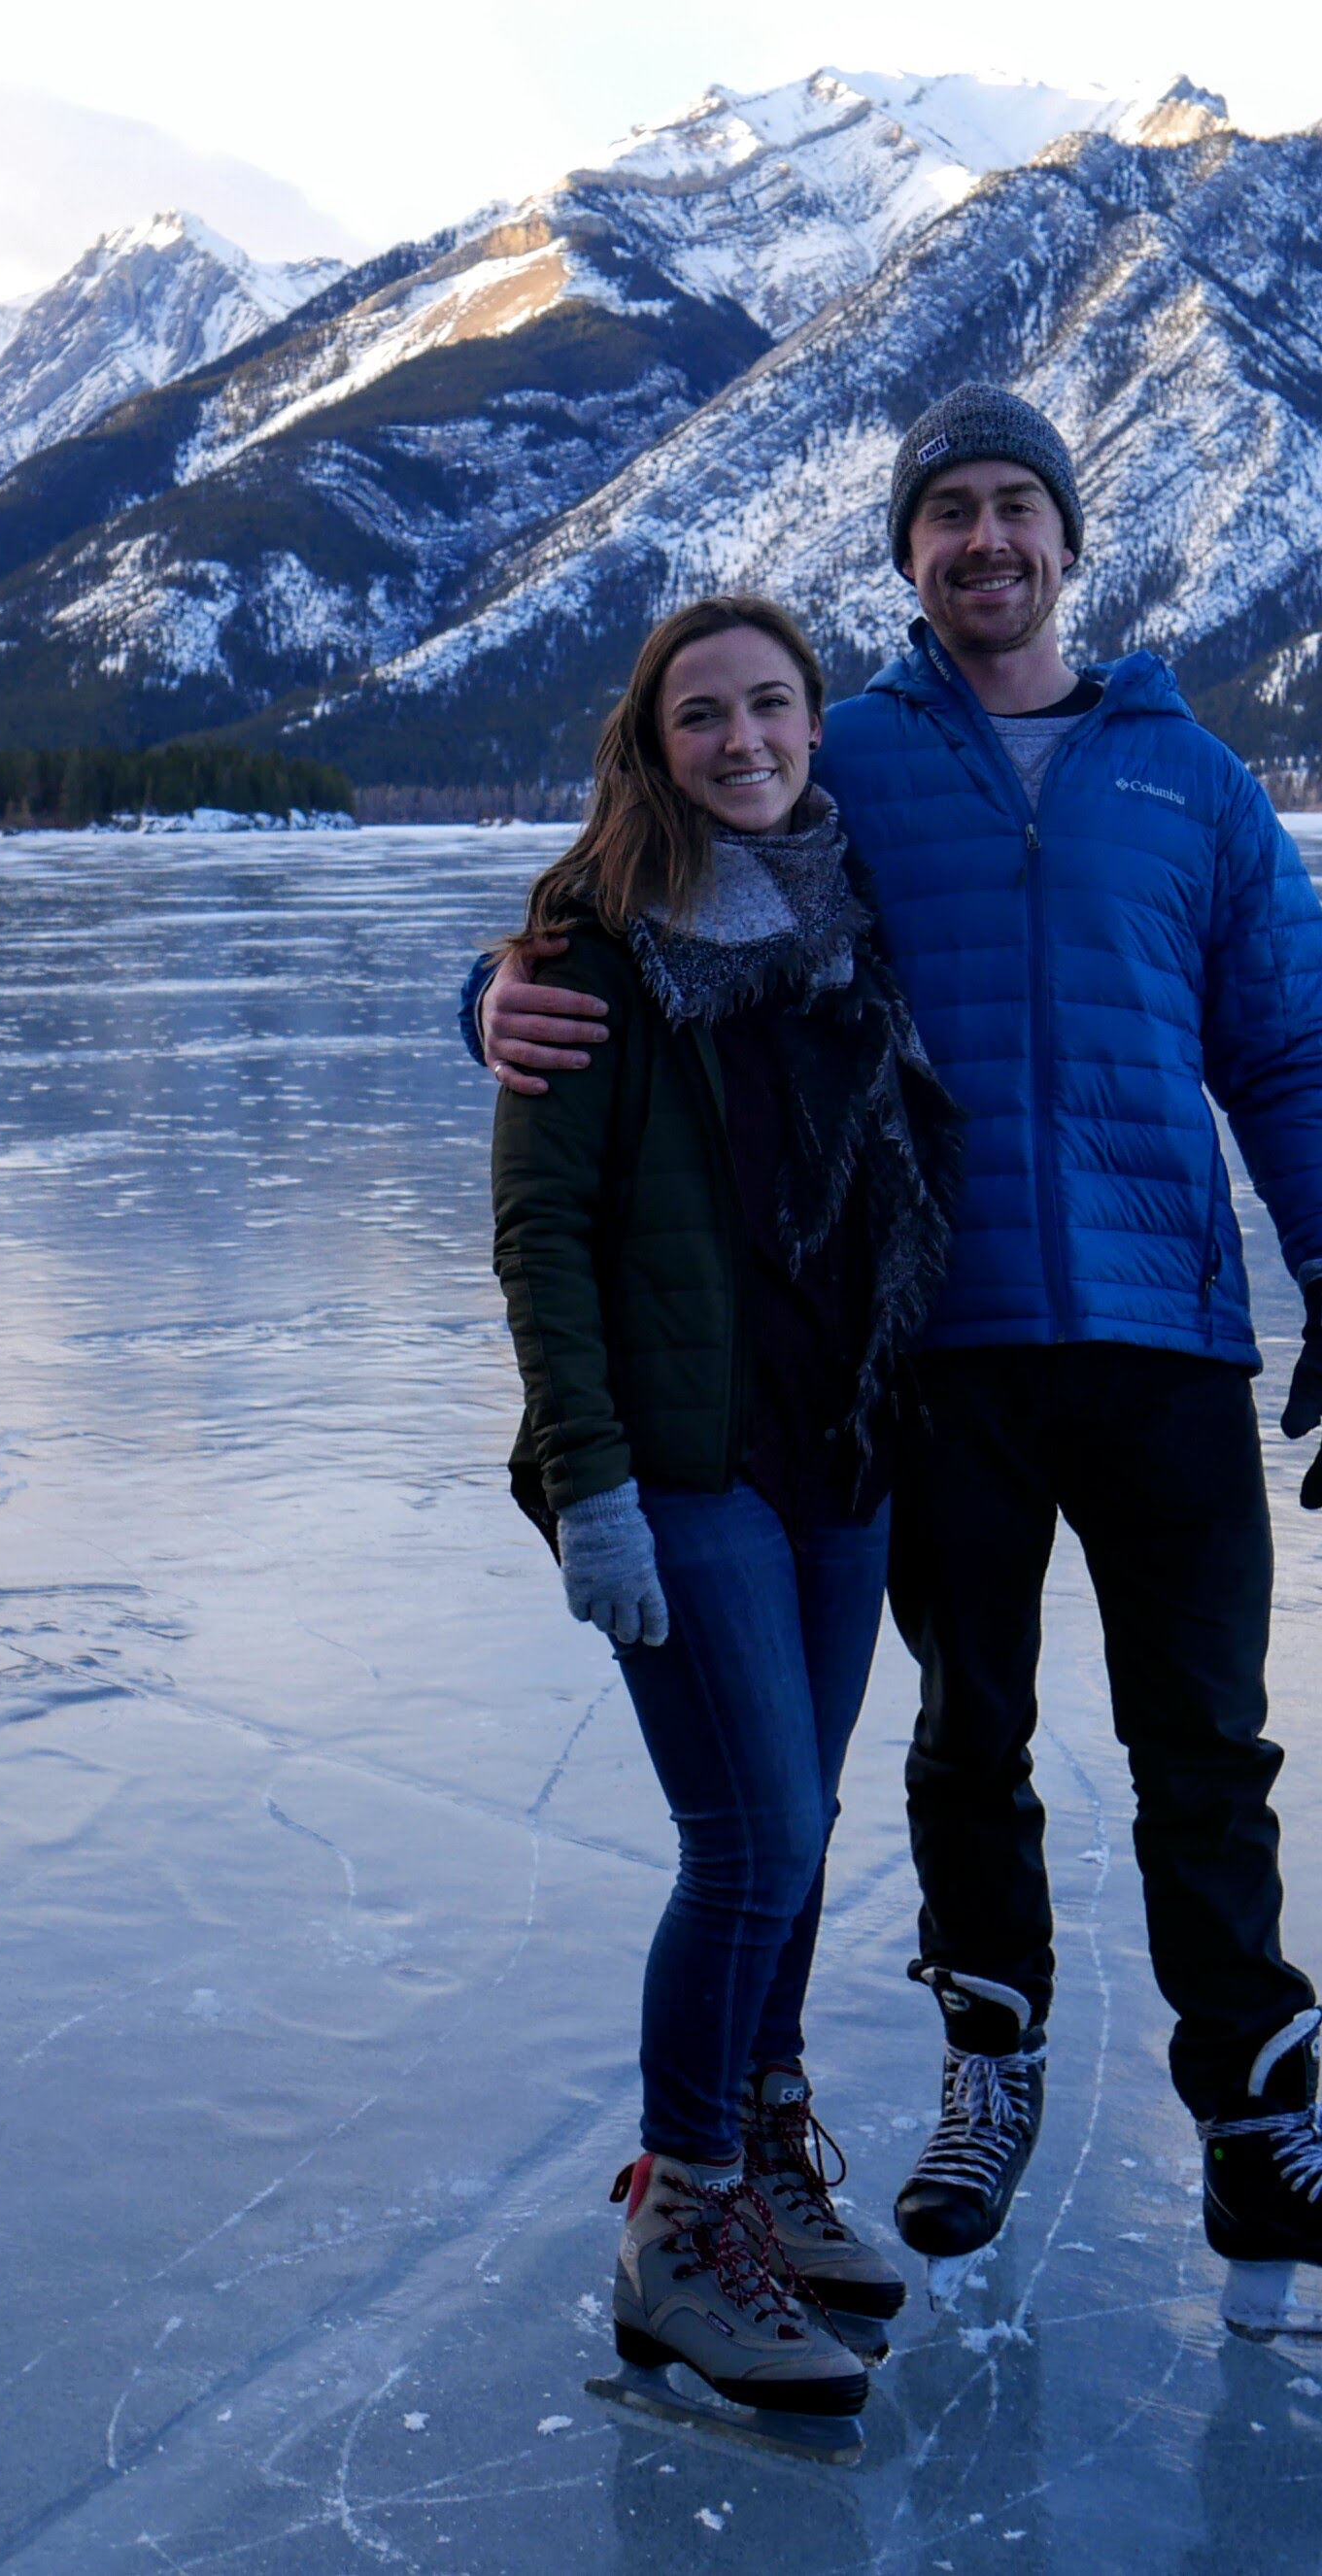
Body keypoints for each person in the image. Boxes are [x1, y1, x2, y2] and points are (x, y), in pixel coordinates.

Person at [472, 387, 1322, 2347]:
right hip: (932, 1352)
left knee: (1208, 1749)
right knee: (968, 1739)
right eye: (943, 510)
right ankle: (989, 2067)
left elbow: (1289, 1042)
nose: (982, 540)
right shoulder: (844, 757)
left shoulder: (1188, 777)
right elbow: (647, 899)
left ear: (1066, 539)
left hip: (1164, 1336)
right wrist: (496, 995)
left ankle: (1261, 2129)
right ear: (906, 553)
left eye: (1014, 504)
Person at [487, 592, 965, 2418]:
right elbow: (542, 1236)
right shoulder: (588, 953)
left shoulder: (850, 921)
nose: (744, 739)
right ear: (650, 742)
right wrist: (591, 1489)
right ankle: (680, 2229)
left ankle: (760, 2153)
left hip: (838, 1449)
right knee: (750, 1841)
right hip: (683, 1464)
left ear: (816, 726)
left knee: (803, 1829)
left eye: (773, 705)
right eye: (704, 714)